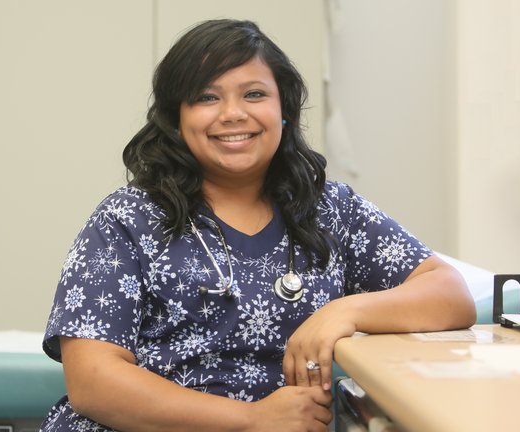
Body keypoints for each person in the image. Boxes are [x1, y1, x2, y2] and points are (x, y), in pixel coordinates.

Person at [40, 19, 475, 432]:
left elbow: (449, 293)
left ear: (282, 111)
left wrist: (343, 311)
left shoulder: (331, 209)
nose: (232, 114)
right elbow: (92, 383)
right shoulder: (127, 218)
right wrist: (249, 420)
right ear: (176, 119)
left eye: (253, 94)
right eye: (207, 97)